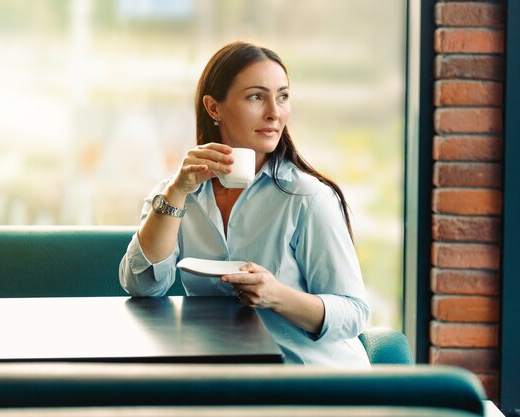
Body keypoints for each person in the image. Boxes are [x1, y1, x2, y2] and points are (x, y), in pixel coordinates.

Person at [119, 41, 370, 367]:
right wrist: (177, 192)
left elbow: (354, 313)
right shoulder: (176, 194)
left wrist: (275, 296)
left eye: (282, 96)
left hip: (309, 378)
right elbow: (141, 287)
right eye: (256, 96)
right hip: (223, 380)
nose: (274, 112)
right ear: (214, 108)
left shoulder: (308, 197)